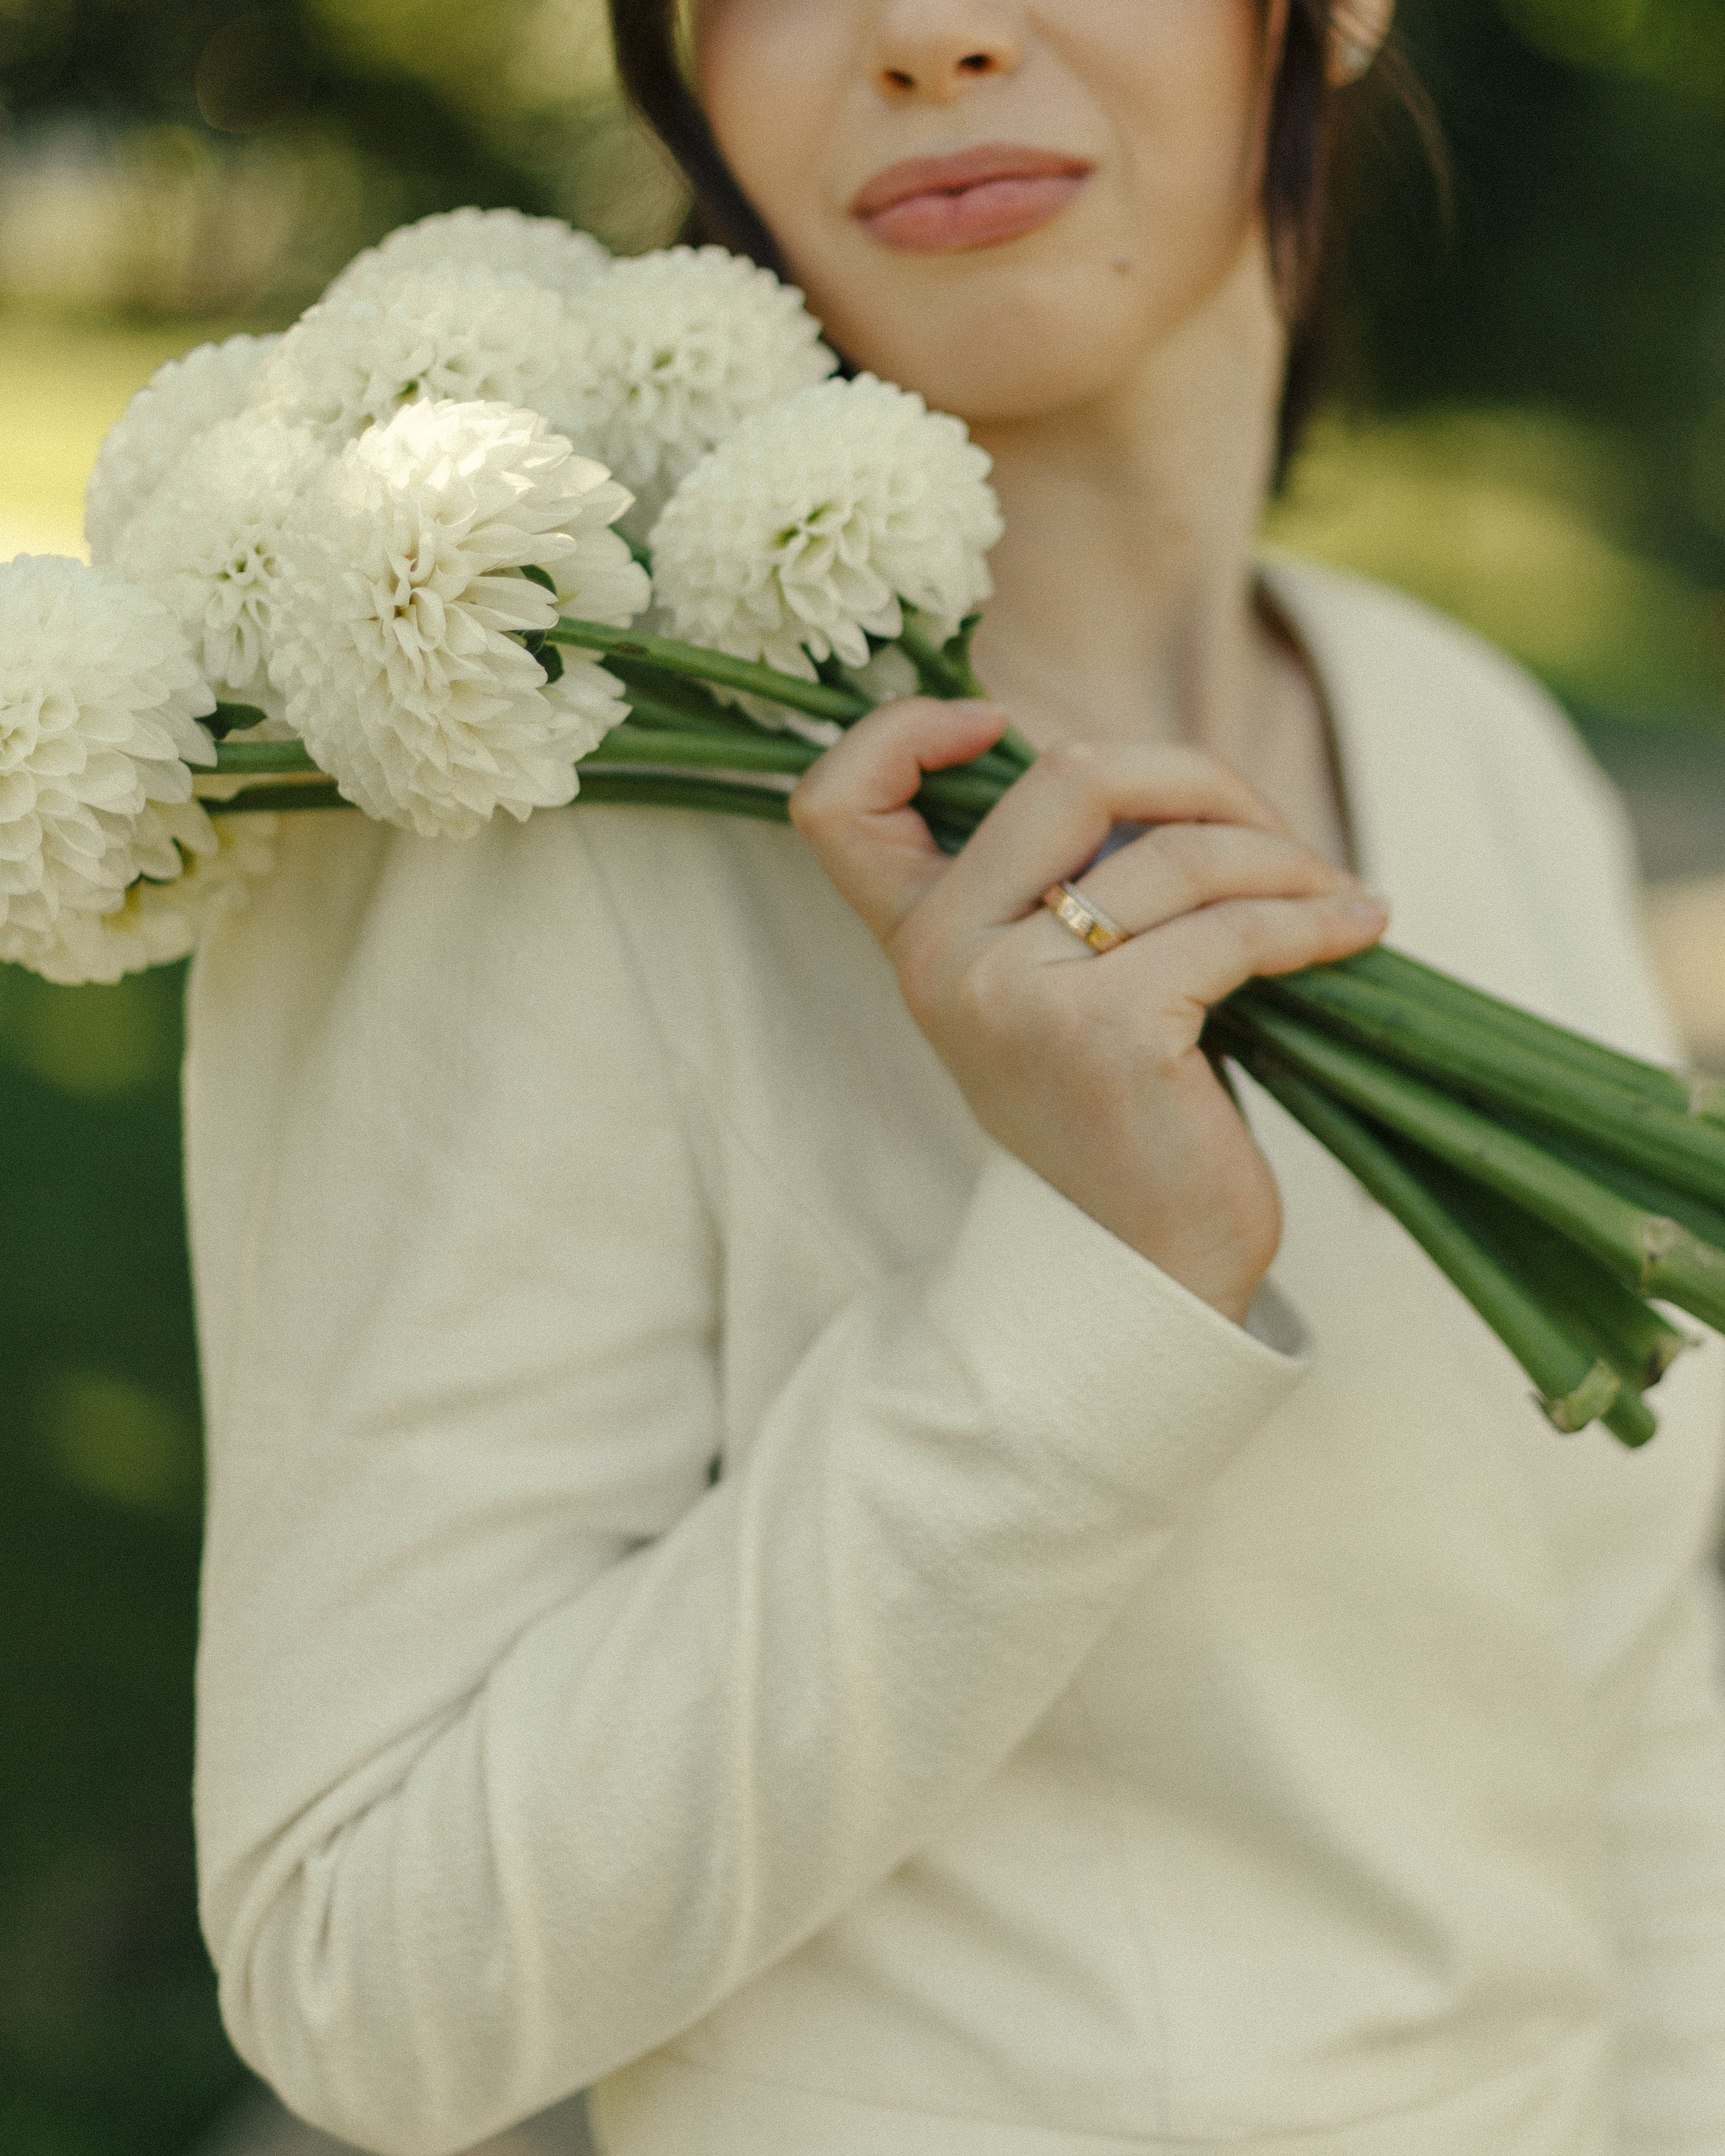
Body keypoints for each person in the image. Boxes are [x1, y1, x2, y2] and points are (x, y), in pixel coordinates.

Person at [185, 4, 1725, 2152]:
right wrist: (1086, 1306)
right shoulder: (560, 827)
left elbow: (1635, 1728)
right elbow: (361, 1972)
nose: (925, 34)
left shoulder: (1473, 741)